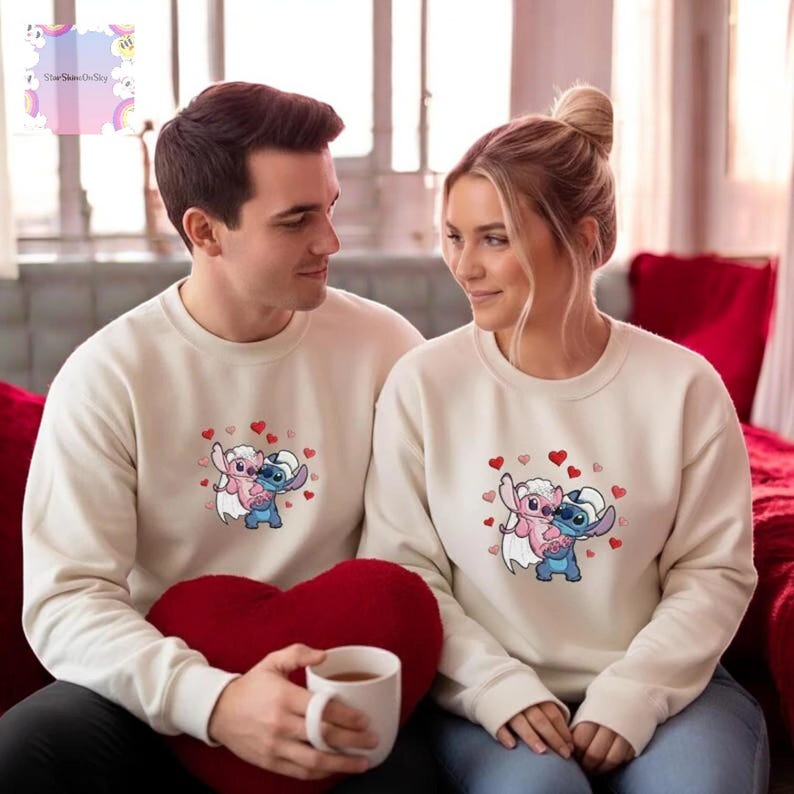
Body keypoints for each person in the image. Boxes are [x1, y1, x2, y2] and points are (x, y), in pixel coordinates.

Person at [0, 82, 440, 793]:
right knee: (23, 751)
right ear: (205, 232)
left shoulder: (386, 347)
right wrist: (213, 701)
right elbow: (66, 601)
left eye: (329, 208)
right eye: (296, 220)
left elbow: (418, 551)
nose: (330, 241)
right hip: (163, 688)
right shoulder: (109, 375)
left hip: (333, 674)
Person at [358, 84, 770, 793]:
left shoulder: (684, 387)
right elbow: (405, 571)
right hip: (488, 702)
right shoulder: (423, 383)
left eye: (495, 239)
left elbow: (714, 573)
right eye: (454, 237)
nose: (465, 266)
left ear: (586, 240)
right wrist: (497, 688)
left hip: (672, 692)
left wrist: (633, 693)